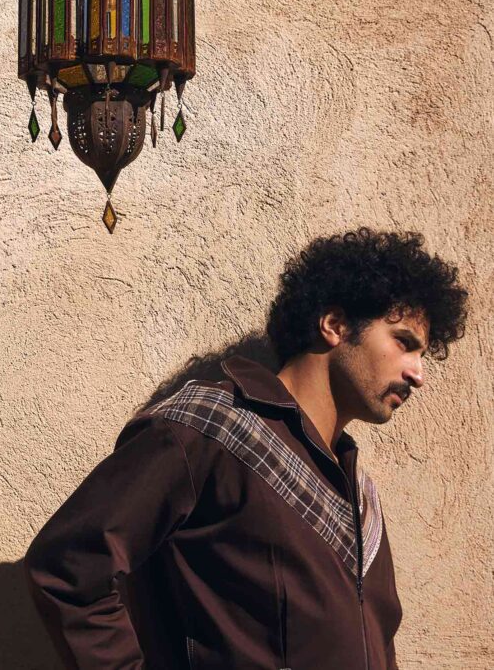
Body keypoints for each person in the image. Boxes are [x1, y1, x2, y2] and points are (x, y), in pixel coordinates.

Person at [24, 228, 468, 669]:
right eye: (404, 343)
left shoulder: (360, 496)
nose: (417, 374)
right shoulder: (207, 429)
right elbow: (69, 566)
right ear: (334, 325)